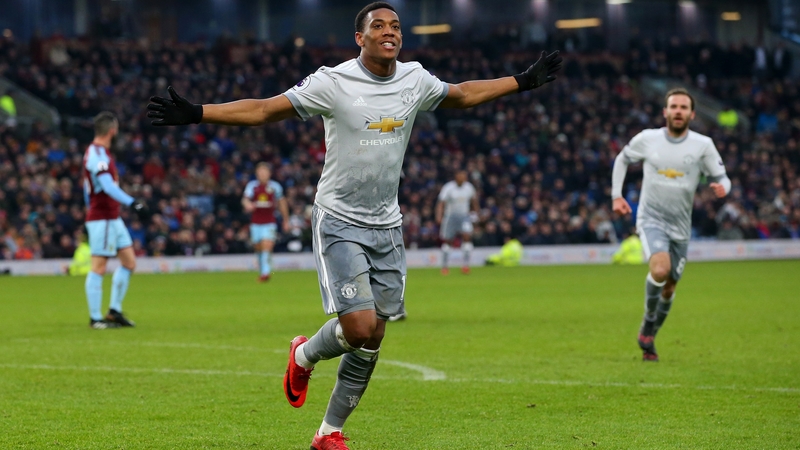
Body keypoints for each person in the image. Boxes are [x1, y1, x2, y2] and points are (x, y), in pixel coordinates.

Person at [147, 3, 561, 448]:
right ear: (359, 38)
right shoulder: (333, 81)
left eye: (396, 26)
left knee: (373, 334)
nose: (390, 32)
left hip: (388, 223)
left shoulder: (415, 79)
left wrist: (522, 81)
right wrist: (198, 112)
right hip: (339, 218)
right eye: (379, 26)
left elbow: (461, 94)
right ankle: (303, 355)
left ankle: (329, 432)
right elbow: (266, 110)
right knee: (360, 327)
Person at [611, 88, 730, 362]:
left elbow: (723, 177)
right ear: (665, 112)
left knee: (669, 288)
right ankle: (648, 318)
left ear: (692, 114)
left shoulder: (703, 145)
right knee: (660, 269)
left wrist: (722, 187)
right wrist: (616, 195)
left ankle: (649, 333)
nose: (678, 111)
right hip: (651, 217)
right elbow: (622, 159)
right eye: (673, 106)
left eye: (683, 107)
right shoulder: (648, 139)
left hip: (681, 227)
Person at [83, 111, 147, 329]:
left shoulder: (99, 153)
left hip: (111, 218)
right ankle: (95, 318)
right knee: (99, 267)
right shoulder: (97, 155)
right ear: (112, 130)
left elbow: (86, 189)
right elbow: (108, 186)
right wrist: (133, 202)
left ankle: (114, 311)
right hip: (103, 219)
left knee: (129, 262)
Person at [242, 162, 289, 282]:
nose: (262, 174)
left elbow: (282, 203)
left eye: (264, 172)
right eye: (260, 172)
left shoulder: (275, 187)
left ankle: (265, 273)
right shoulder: (252, 186)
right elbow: (245, 199)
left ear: (269, 173)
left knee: (266, 245)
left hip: (269, 221)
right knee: (258, 247)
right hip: (255, 222)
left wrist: (285, 220)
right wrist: (248, 205)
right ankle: (263, 268)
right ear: (257, 174)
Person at [436, 170, 479, 275]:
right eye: (460, 175)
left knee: (467, 238)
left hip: (464, 216)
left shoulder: (469, 187)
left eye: (464, 175)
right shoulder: (448, 188)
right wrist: (439, 216)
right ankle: (445, 266)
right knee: (448, 241)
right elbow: (441, 203)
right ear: (456, 176)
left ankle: (465, 265)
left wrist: (476, 214)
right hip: (450, 217)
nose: (462, 177)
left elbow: (474, 201)